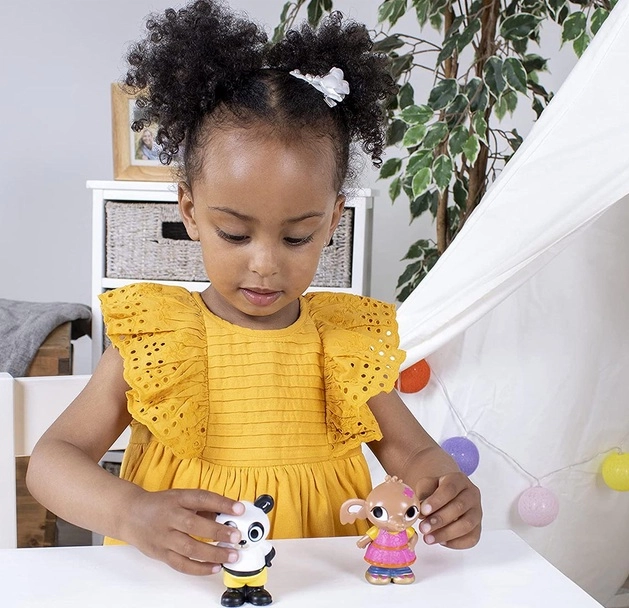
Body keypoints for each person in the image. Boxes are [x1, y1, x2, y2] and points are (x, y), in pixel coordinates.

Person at [27, 0, 481, 580]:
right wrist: (131, 512)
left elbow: (415, 454)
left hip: (321, 584)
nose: (265, 265)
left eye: (297, 237)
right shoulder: (159, 340)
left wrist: (447, 491)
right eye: (235, 234)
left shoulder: (342, 344)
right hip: (182, 586)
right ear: (190, 209)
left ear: (332, 219)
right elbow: (52, 462)